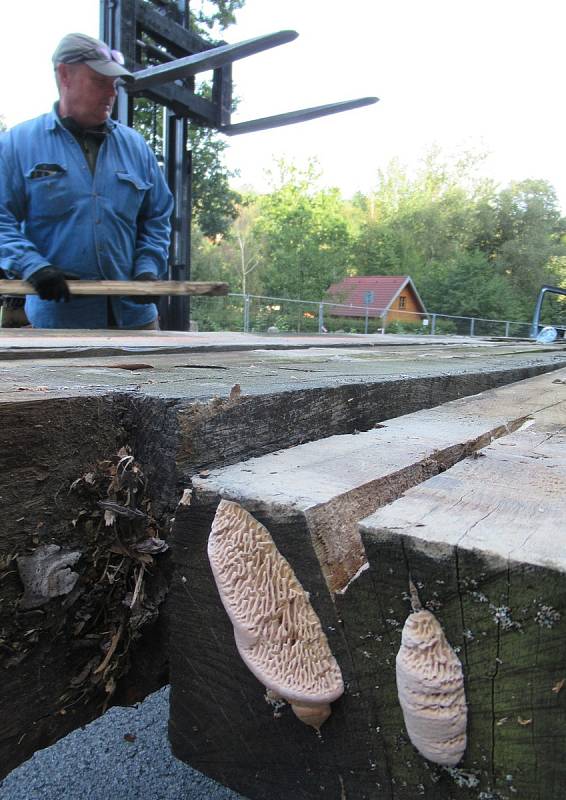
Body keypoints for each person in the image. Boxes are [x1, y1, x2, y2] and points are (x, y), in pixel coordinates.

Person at [0, 32, 173, 329]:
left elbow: (157, 216)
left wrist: (147, 269)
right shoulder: (18, 144)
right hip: (57, 327)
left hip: (136, 323)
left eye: (114, 84)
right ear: (64, 75)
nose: (111, 93)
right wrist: (33, 267)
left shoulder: (135, 147)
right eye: (99, 82)